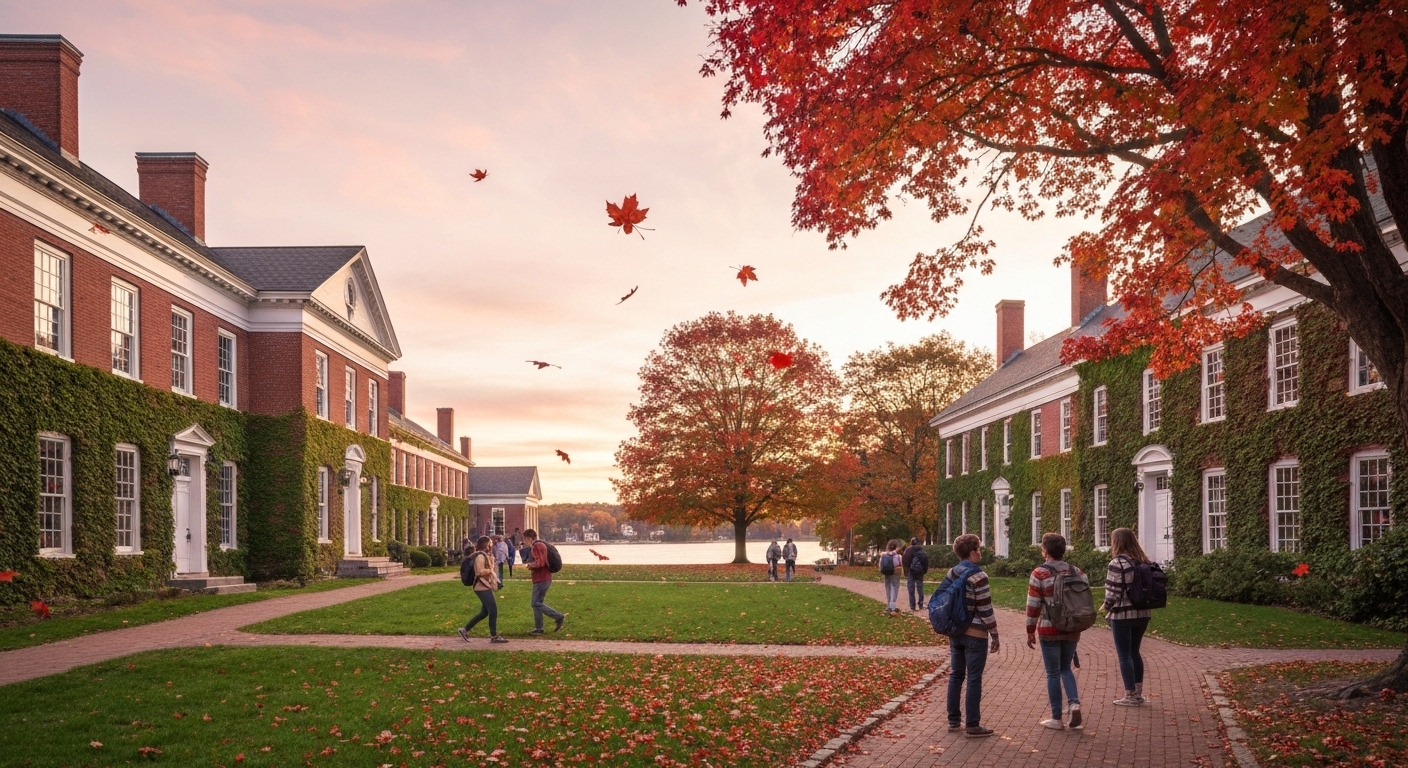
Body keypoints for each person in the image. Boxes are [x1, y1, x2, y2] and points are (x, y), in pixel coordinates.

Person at [942, 533, 999, 737]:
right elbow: (985, 608)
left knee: (956, 675)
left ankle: (953, 720)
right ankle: (973, 724)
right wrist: (994, 633)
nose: (980, 551)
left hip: (955, 631)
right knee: (974, 677)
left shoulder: (952, 573)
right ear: (972, 551)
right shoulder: (979, 576)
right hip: (975, 633)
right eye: (978, 548)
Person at [1027, 532, 1085, 730]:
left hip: (1048, 627)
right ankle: (1074, 703)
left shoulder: (1039, 574)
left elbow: (1033, 606)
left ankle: (1056, 718)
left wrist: (1029, 630)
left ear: (1045, 550)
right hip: (1072, 627)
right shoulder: (1076, 572)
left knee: (1052, 673)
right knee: (1066, 668)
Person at [1104, 527, 1154, 706]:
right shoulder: (1143, 561)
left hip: (1123, 614)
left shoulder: (1117, 563)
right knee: (1135, 652)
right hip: (1143, 613)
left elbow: (1113, 593)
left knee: (1124, 654)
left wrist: (1106, 609)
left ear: (1117, 542)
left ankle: (1130, 694)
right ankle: (1138, 693)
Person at [458, 536, 507, 644]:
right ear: (486, 545)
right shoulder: (480, 556)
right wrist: (490, 570)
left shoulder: (484, 555)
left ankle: (464, 629)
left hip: (484, 586)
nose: (492, 546)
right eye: (490, 544)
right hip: (481, 587)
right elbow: (479, 571)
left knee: (484, 613)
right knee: (493, 610)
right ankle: (494, 636)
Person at [522, 529, 565, 634]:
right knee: (537, 603)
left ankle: (558, 616)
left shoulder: (538, 546)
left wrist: (529, 565)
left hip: (542, 578)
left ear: (529, 538)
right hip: (541, 578)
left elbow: (540, 563)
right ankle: (539, 628)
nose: (524, 542)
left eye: (525, 539)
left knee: (536, 603)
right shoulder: (538, 545)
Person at [903, 536, 930, 611]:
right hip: (920, 572)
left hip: (910, 572)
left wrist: (906, 572)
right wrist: (923, 571)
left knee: (911, 589)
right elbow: (926, 562)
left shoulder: (907, 551)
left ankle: (912, 606)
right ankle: (920, 604)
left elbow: (904, 562)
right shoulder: (922, 551)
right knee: (920, 588)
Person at [880, 540, 902, 614]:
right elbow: (901, 565)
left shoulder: (883, 555)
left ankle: (889, 606)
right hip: (896, 574)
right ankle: (892, 607)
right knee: (894, 589)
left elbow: (880, 566)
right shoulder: (899, 557)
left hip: (886, 573)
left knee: (888, 589)